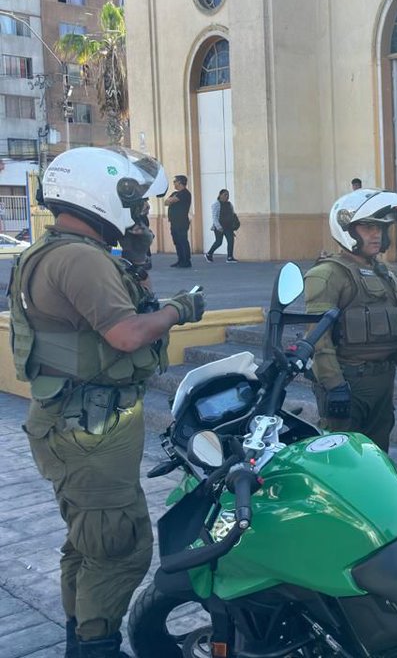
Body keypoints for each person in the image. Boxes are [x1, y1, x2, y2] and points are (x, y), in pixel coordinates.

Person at [15, 147, 206, 658]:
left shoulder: (65, 250)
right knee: (118, 547)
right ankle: (96, 647)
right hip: (89, 429)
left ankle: (84, 636)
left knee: (88, 541)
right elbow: (126, 333)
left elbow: (123, 306)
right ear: (101, 194)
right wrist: (179, 309)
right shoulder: (80, 258)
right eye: (134, 198)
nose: (142, 209)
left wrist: (139, 260)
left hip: (80, 419)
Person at [304, 188, 397, 451]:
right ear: (348, 229)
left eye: (380, 227)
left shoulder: (386, 272)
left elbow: (393, 324)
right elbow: (318, 339)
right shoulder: (328, 274)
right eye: (367, 227)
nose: (376, 234)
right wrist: (334, 386)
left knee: (377, 457)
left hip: (382, 382)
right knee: (342, 459)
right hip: (348, 382)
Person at [205, 189, 240, 263]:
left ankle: (230, 257)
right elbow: (215, 217)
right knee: (219, 242)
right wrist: (218, 227)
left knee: (231, 241)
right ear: (220, 195)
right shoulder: (216, 204)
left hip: (228, 226)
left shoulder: (229, 204)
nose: (227, 197)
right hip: (219, 227)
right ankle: (209, 254)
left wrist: (233, 226)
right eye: (225, 195)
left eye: (228, 195)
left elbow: (232, 215)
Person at [164, 174, 192, 268]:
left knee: (183, 241)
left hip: (181, 222)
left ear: (180, 182)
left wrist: (170, 200)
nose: (174, 184)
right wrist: (170, 200)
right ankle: (180, 260)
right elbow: (166, 202)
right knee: (177, 241)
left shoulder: (184, 193)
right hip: (174, 222)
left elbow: (172, 201)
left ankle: (186, 261)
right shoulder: (175, 193)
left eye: (175, 182)